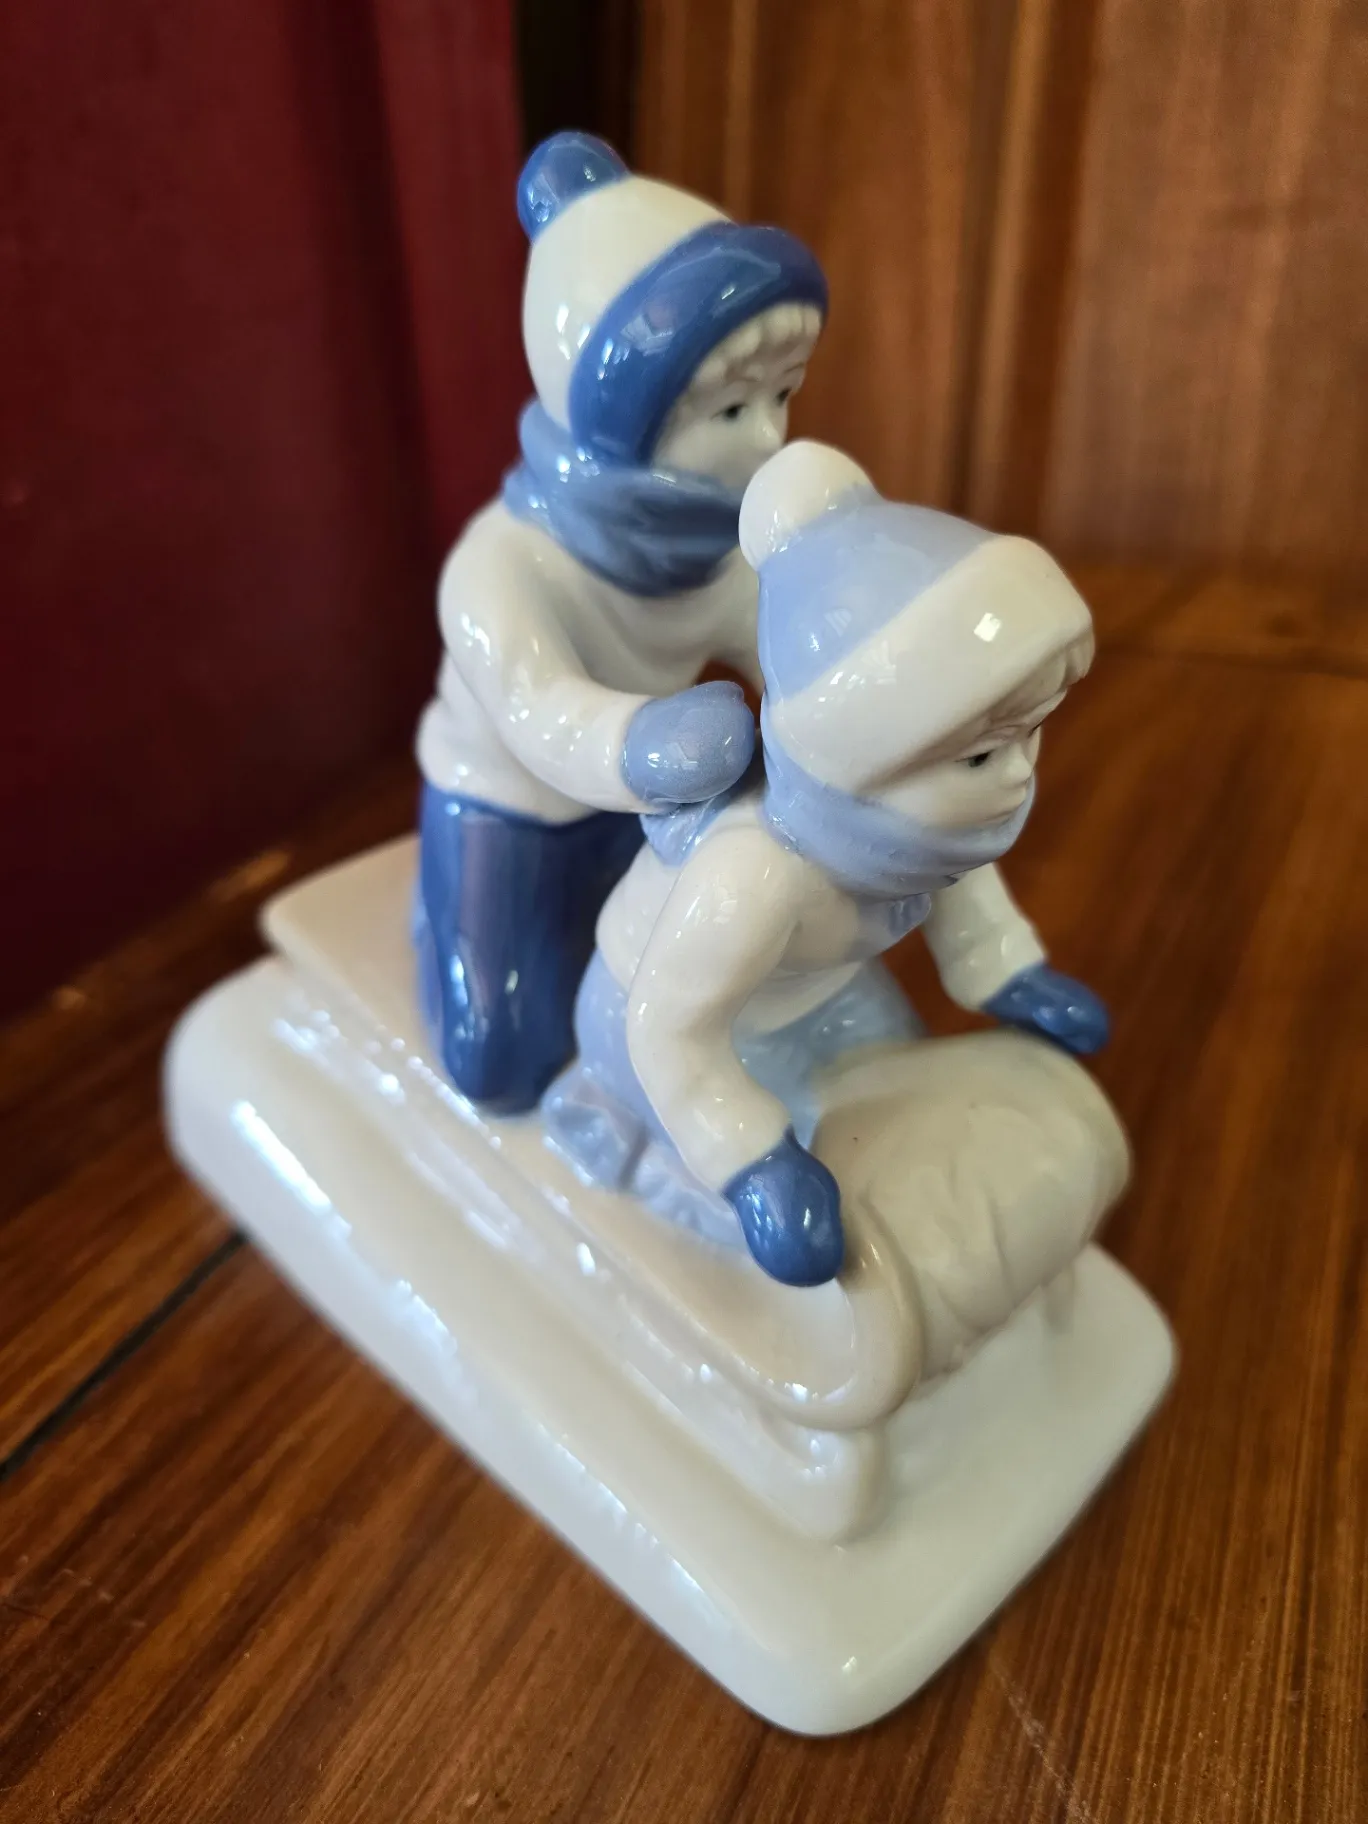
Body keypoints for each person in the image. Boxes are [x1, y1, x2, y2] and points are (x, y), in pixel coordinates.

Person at [543, 442, 1110, 1286]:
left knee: (906, 1103)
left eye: (1028, 734)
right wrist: (752, 1161)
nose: (1020, 773)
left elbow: (960, 887)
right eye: (981, 754)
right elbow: (671, 1030)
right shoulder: (756, 877)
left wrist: (1003, 971)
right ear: (859, 765)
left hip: (815, 997)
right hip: (654, 1027)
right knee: (846, 1181)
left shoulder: (918, 839)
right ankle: (647, 1155)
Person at [414, 132, 828, 1113]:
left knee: (705, 1001)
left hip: (641, 808)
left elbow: (778, 635)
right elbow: (540, 712)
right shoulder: (500, 566)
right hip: (507, 809)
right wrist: (645, 743)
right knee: (502, 1065)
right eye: (731, 410)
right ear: (622, 421)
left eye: (780, 396)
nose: (773, 436)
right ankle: (440, 916)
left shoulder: (718, 546)